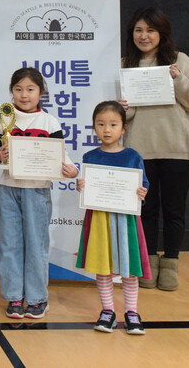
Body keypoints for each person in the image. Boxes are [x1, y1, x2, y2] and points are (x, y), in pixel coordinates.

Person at [117, 8, 189, 291]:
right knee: (145, 210)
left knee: (174, 211)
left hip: (177, 148)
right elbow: (124, 118)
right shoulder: (125, 64)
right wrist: (124, 109)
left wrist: (177, 78)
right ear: (131, 34)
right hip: (140, 149)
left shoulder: (180, 60)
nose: (144, 36)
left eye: (150, 30)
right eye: (138, 30)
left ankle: (171, 263)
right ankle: (148, 263)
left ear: (161, 33)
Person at [0, 67, 78, 320]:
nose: (24, 95)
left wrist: (71, 170)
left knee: (37, 245)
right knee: (9, 245)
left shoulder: (50, 122)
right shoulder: (3, 121)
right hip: (9, 188)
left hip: (37, 191)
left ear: (41, 92)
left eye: (30, 89)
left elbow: (61, 155)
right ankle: (14, 297)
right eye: (18, 89)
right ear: (12, 92)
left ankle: (38, 299)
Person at [75, 101, 151, 335]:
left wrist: (142, 191)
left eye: (113, 124)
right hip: (99, 220)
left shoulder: (132, 156)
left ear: (123, 128)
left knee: (128, 268)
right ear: (94, 127)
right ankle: (107, 310)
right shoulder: (90, 156)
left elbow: (143, 184)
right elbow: (88, 187)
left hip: (126, 220)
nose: (107, 129)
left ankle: (132, 312)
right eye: (101, 124)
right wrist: (82, 185)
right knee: (103, 266)